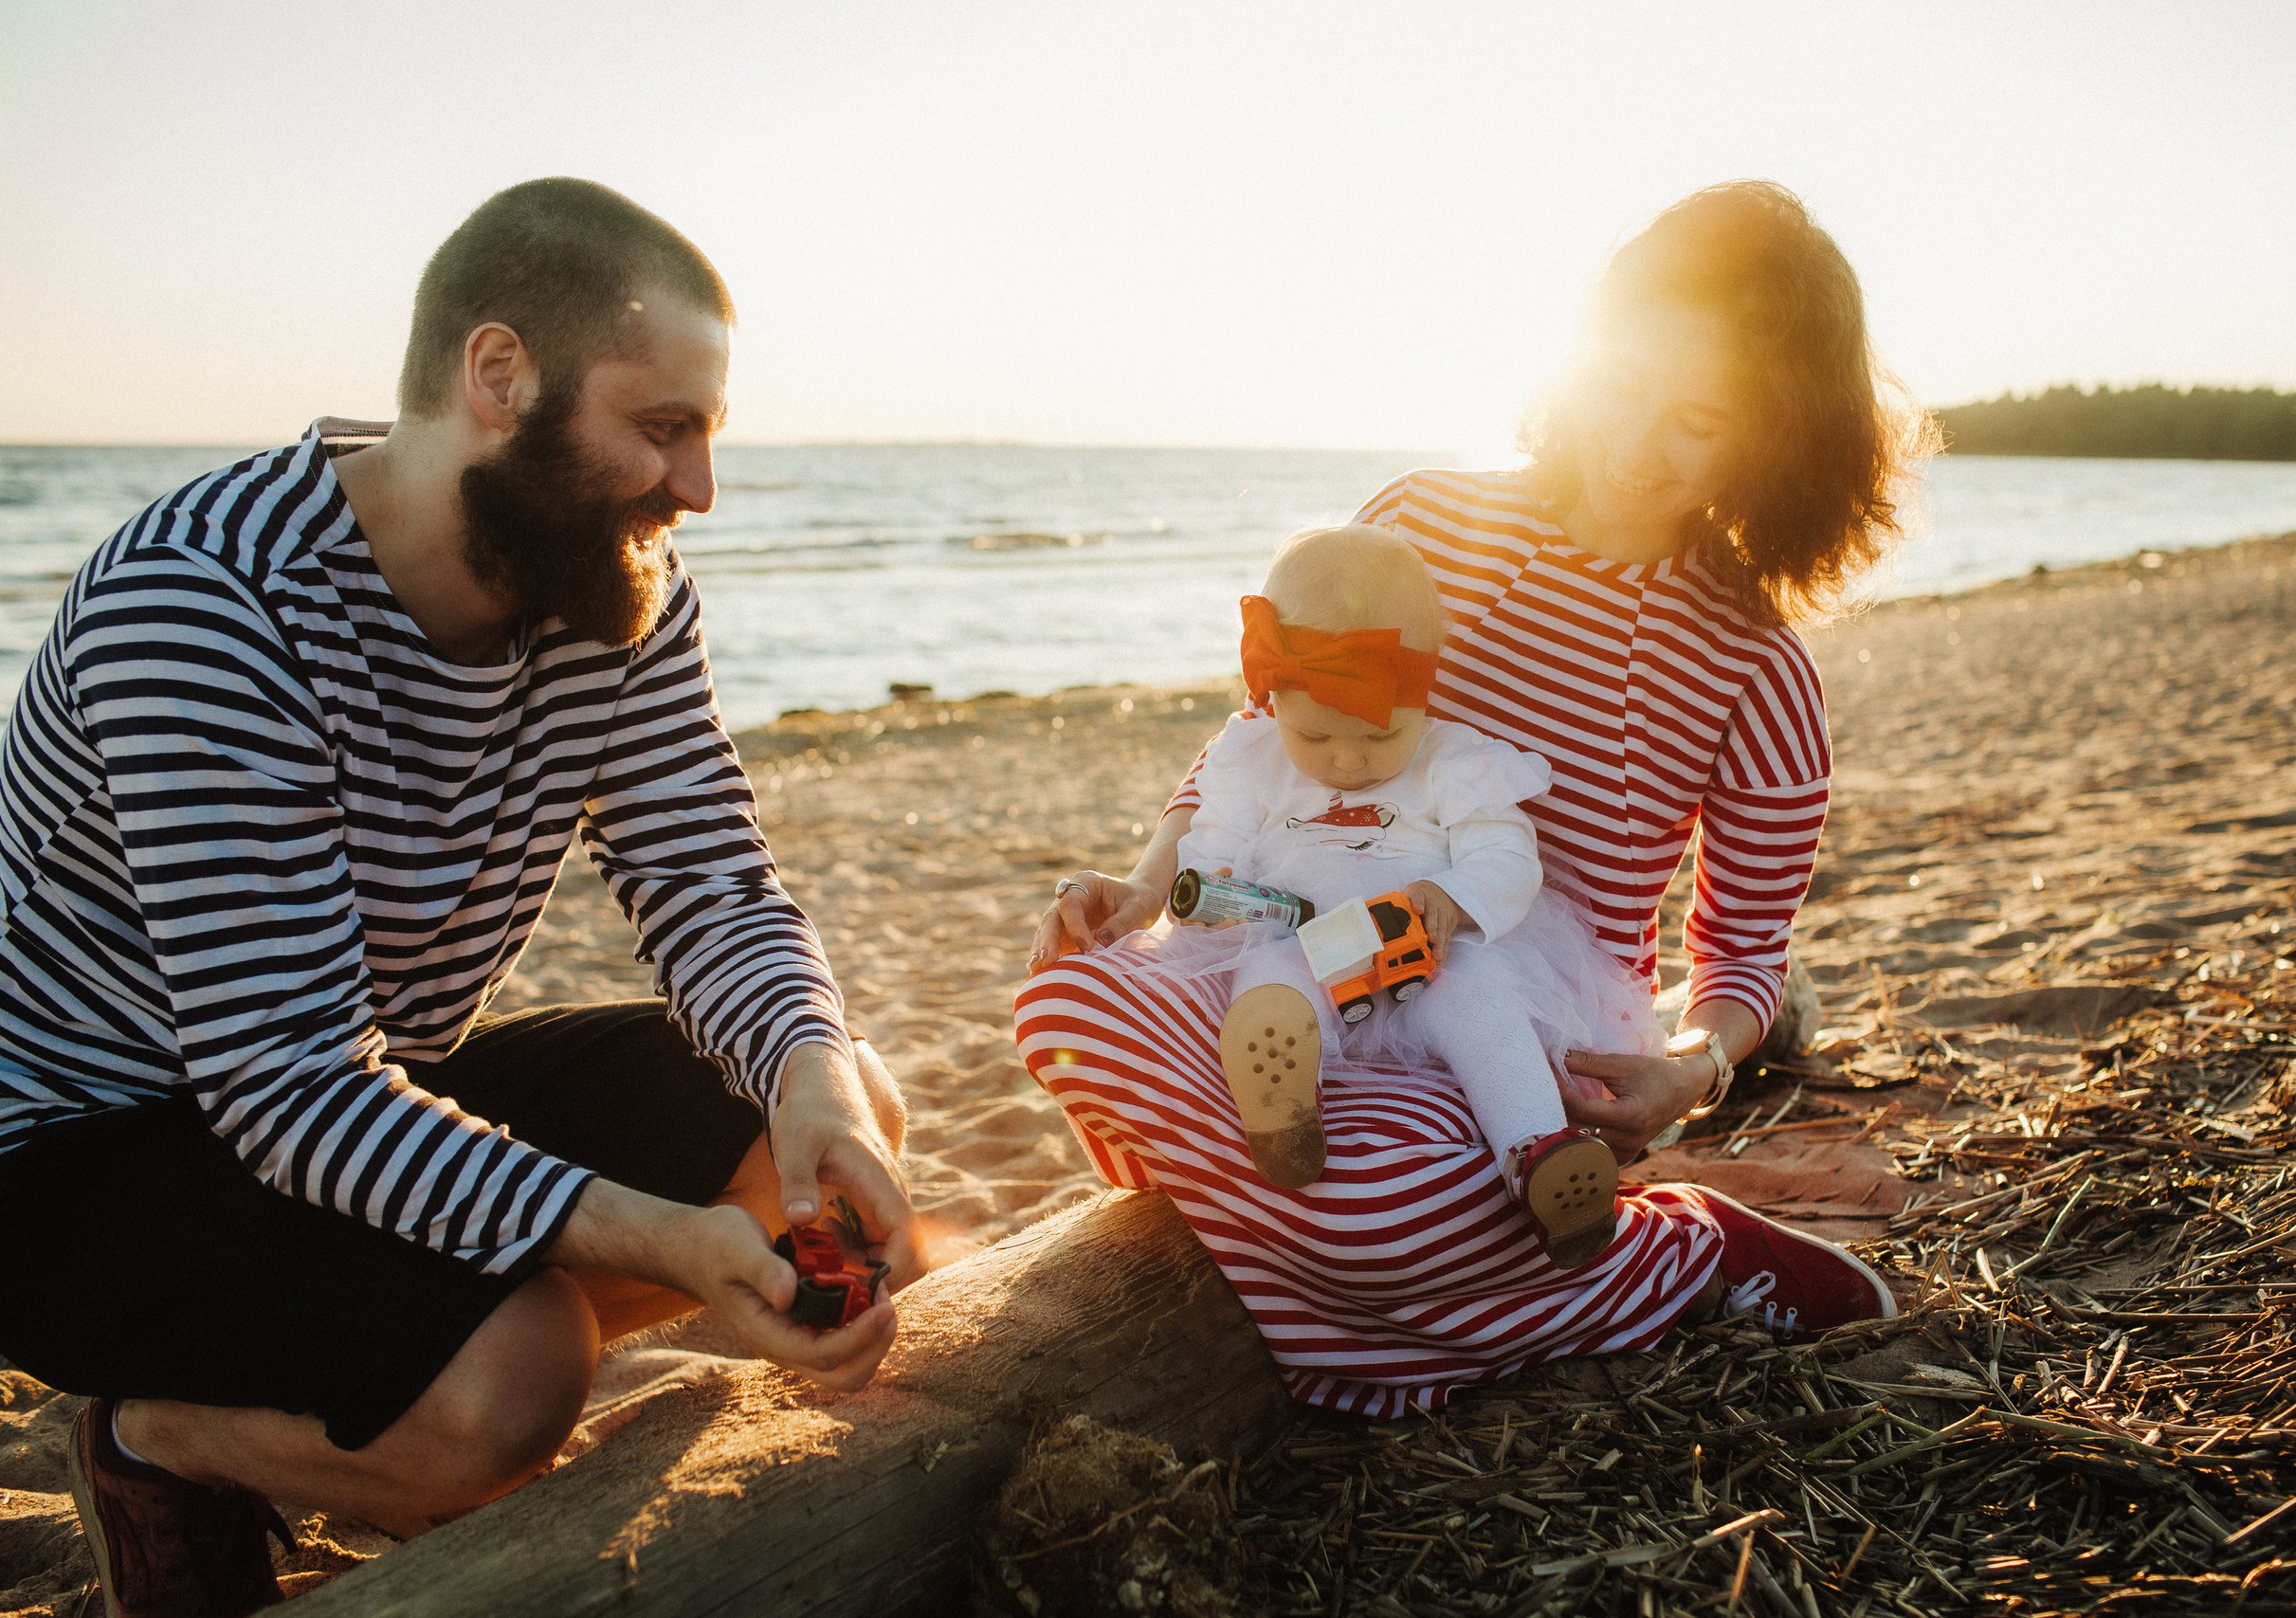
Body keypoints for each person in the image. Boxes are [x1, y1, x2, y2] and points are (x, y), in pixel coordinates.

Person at [0, 178, 923, 1616]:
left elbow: (707, 879)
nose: (696, 490)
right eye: (659, 427)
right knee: (518, 1368)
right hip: (80, 1148)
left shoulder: (619, 585)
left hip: (357, 1085)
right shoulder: (205, 602)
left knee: (811, 1113)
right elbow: (284, 1085)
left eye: (707, 432)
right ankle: (156, 1434)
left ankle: (356, 1388)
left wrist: (817, 1085)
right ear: (500, 377)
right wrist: (658, 1237)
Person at [1022, 180, 1926, 1417]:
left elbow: (1745, 951)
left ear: (1775, 437)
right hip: (1309, 929)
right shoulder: (1419, 523)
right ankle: (1291, 1225)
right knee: (1065, 994)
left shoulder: (1756, 665)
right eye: (1623, 386)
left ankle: (1684, 1246)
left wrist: (1693, 1068)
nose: (1633, 444)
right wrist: (1145, 880)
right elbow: (1261, 733)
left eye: (1696, 419)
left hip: (1510, 1021)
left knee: (1387, 1207)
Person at [1111, 524, 1662, 1268]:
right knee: (1269, 982)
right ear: (1274, 701)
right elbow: (1212, 842)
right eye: (1314, 736)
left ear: (1422, 693)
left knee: (1488, 1008)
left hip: (1430, 953)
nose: (1345, 759)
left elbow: (1508, 857)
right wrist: (1201, 890)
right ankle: (1284, 1109)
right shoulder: (1254, 760)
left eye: (1377, 738)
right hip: (1300, 946)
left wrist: (1454, 894)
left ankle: (1540, 1155)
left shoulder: (1455, 762)